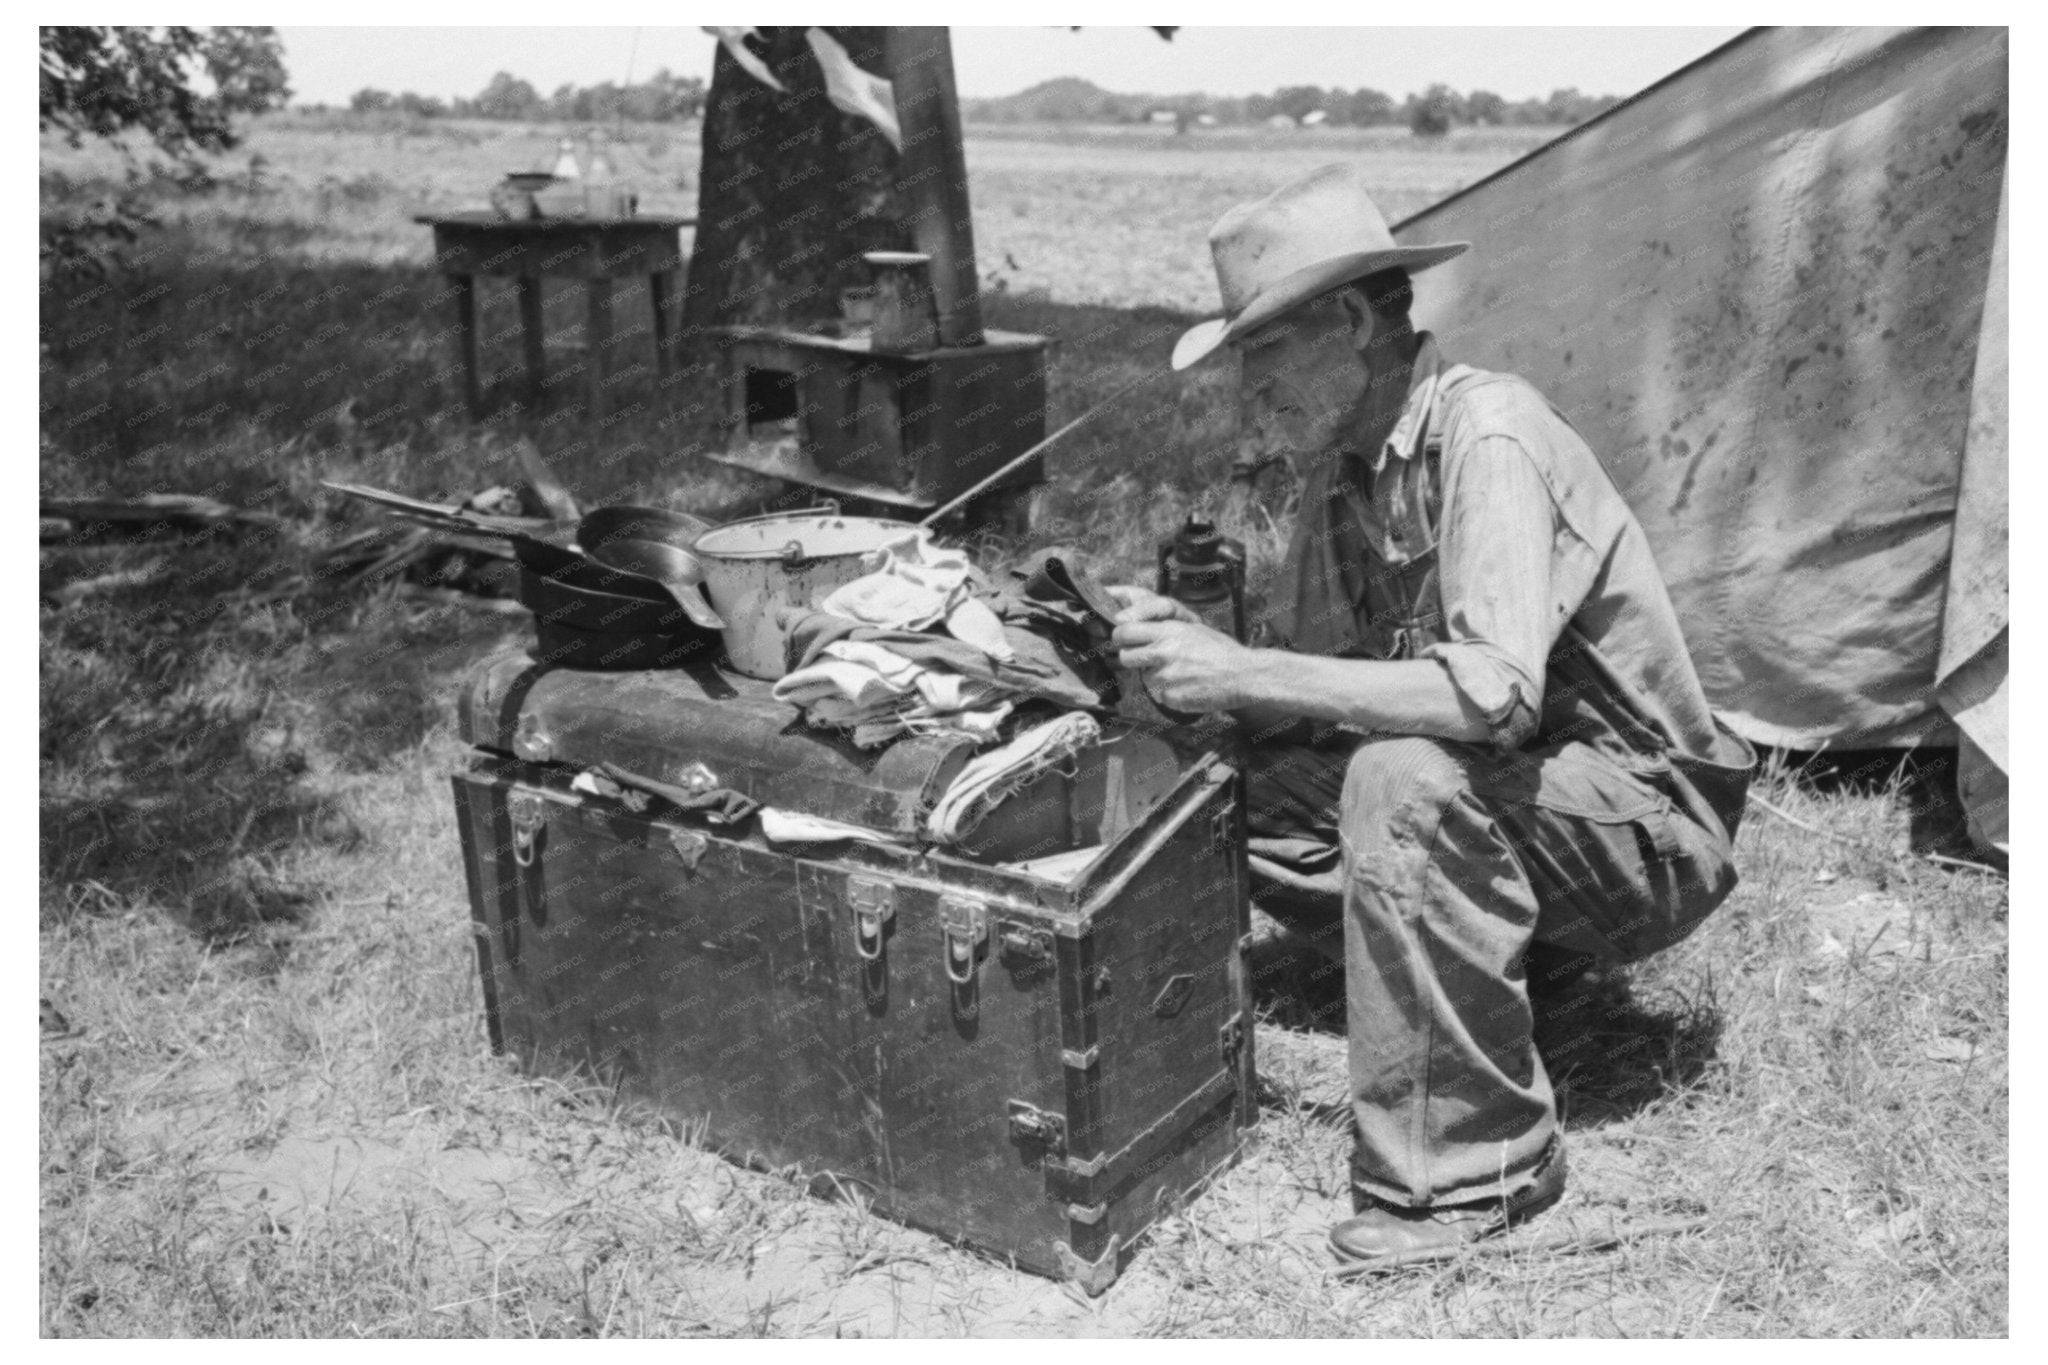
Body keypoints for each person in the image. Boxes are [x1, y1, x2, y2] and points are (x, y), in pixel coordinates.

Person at [1107, 162, 1756, 1271]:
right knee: (1223, 766)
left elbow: (1490, 696)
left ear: (1353, 322)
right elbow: (1317, 696)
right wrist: (1193, 657)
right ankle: (1492, 972)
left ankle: (1476, 1170)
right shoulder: (1341, 480)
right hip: (1532, 805)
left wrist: (1246, 668)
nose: (1247, 388)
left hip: (1644, 828)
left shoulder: (1487, 432)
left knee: (1396, 780)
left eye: (1263, 349)